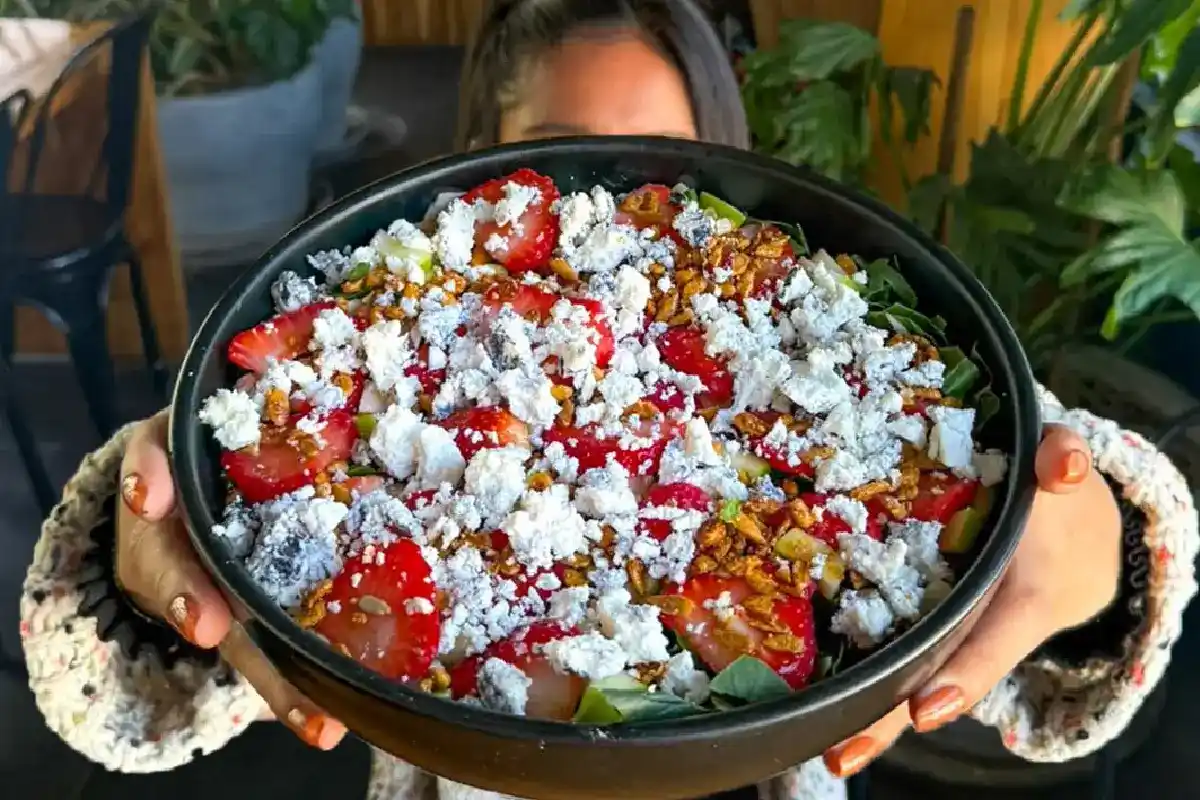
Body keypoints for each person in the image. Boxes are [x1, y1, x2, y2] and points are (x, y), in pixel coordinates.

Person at [19, 1, 1197, 799]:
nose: (619, 200)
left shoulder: (805, 315)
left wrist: (1105, 544)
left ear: (720, 162)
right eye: (568, 149)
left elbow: (1062, 539)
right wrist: (139, 535)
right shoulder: (387, 339)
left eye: (660, 155)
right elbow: (122, 697)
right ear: (485, 158)